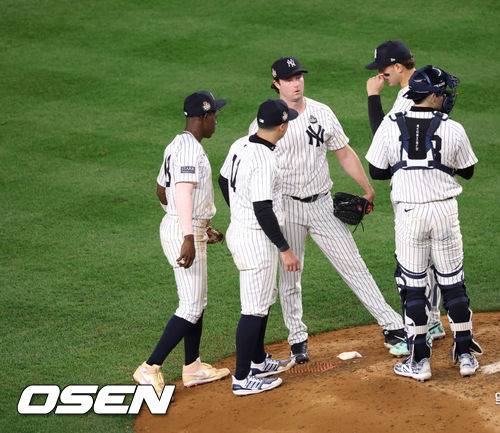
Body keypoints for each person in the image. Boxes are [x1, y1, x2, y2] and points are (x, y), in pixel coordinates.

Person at [248, 56, 406, 363]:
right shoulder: (264, 122)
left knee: (354, 265)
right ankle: (297, 340)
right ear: (276, 84)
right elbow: (253, 166)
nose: (296, 83)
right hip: (287, 208)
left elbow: (344, 153)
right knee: (290, 278)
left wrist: (367, 187)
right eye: (289, 79)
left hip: (322, 204)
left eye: (299, 77)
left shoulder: (322, 112)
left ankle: (392, 326)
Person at [365, 65, 483, 380]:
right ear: (431, 96)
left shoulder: (390, 126)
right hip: (444, 213)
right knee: (453, 284)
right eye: (443, 93)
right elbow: (468, 171)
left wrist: (408, 169)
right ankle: (465, 353)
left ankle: (419, 361)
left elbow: (376, 170)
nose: (446, 98)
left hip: (409, 216)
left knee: (413, 289)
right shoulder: (453, 127)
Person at [133, 91, 230, 396]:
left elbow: (163, 191)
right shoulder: (189, 150)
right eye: (214, 115)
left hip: (184, 226)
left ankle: (193, 367)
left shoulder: (177, 145)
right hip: (183, 232)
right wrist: (188, 233)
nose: (217, 120)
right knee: (190, 305)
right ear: (203, 117)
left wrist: (200, 224)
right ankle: (150, 368)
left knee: (196, 302)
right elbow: (182, 193)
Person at [366, 41, 446, 356]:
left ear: (399, 66)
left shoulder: (408, 96)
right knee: (429, 259)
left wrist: (373, 97)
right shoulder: (425, 88)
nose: (381, 76)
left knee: (411, 265)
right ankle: (435, 321)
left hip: (414, 190)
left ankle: (421, 332)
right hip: (433, 184)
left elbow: (381, 141)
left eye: (384, 70)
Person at [219, 99, 301, 395]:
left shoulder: (241, 144)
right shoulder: (264, 160)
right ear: (282, 126)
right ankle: (242, 379)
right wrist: (285, 248)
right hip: (256, 239)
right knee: (253, 309)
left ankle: (258, 361)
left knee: (263, 301)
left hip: (243, 231)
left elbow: (222, 178)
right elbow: (263, 209)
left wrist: (237, 212)